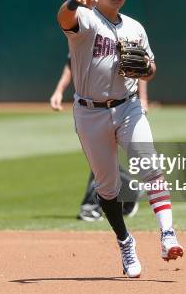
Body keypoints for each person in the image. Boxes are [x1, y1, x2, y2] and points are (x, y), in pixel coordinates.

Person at [56, 0, 184, 278]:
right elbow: (63, 19)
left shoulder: (136, 28)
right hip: (90, 113)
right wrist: (73, 1)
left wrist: (146, 69)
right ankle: (125, 241)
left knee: (150, 164)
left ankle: (168, 234)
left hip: (128, 108)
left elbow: (150, 68)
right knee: (107, 188)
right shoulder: (85, 18)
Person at [49, 57, 146, 221]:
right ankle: (130, 188)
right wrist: (59, 90)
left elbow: (139, 64)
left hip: (123, 105)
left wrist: (143, 98)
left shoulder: (124, 32)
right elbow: (71, 62)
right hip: (92, 108)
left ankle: (92, 205)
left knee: (101, 157)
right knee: (101, 157)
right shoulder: (86, 33)